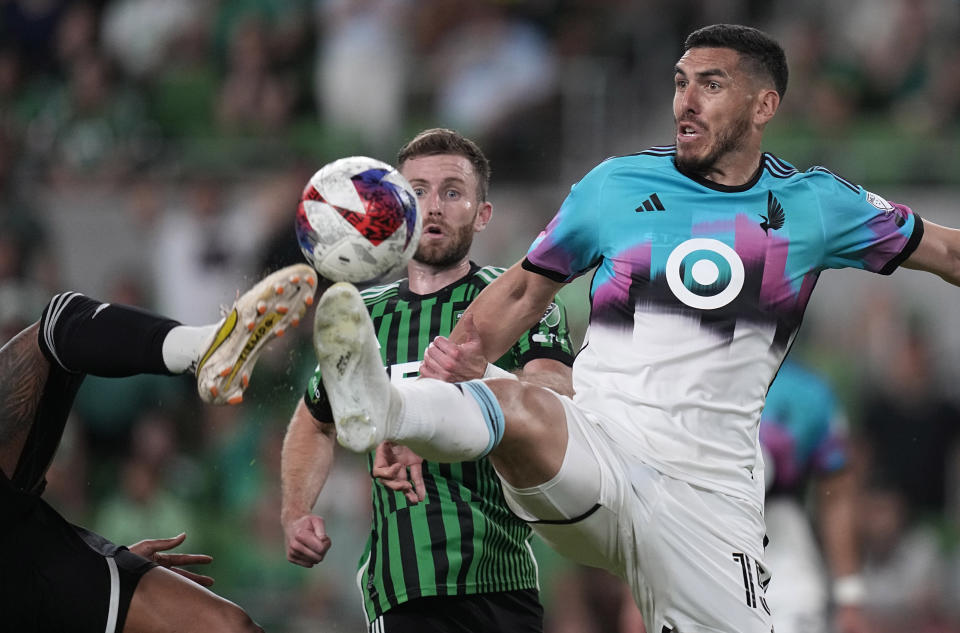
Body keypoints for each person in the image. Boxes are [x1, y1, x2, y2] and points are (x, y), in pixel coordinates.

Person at [308, 23, 960, 633]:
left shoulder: (814, 204)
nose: (687, 99)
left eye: (711, 83)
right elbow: (521, 294)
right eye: (680, 81)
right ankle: (388, 401)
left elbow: (948, 252)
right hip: (601, 451)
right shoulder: (614, 187)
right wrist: (421, 405)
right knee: (514, 400)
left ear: (763, 106)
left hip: (709, 503)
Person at [280, 128, 576, 632]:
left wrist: (485, 377)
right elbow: (315, 419)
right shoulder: (363, 315)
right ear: (396, 208)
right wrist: (295, 512)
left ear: (483, 215)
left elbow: (562, 398)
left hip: (502, 579)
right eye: (417, 192)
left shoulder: (512, 300)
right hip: (401, 587)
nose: (434, 206)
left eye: (452, 192)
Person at [0, 262, 317, 633]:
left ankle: (206, 348)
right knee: (60, 323)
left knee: (230, 628)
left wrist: (100, 569)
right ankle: (204, 348)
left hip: (29, 556)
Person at [760, 359, 867, 633]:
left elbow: (836, 495)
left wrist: (849, 595)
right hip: (697, 563)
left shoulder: (809, 392)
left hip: (783, 568)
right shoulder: (680, 378)